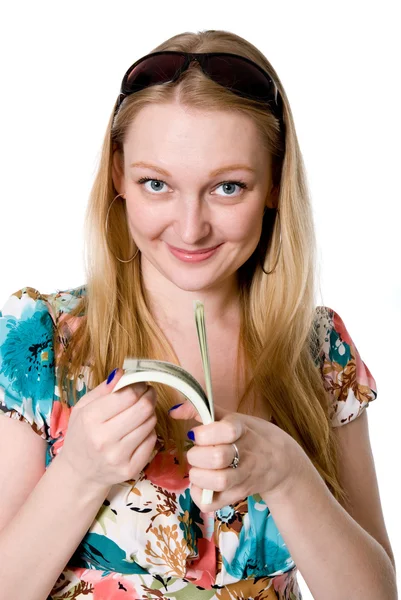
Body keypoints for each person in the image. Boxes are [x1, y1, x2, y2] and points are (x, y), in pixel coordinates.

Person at [0, 29, 397, 600]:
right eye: (156, 183)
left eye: (227, 187)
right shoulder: (42, 340)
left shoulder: (317, 348)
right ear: (118, 176)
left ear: (275, 184)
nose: (190, 228)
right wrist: (80, 472)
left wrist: (288, 476)